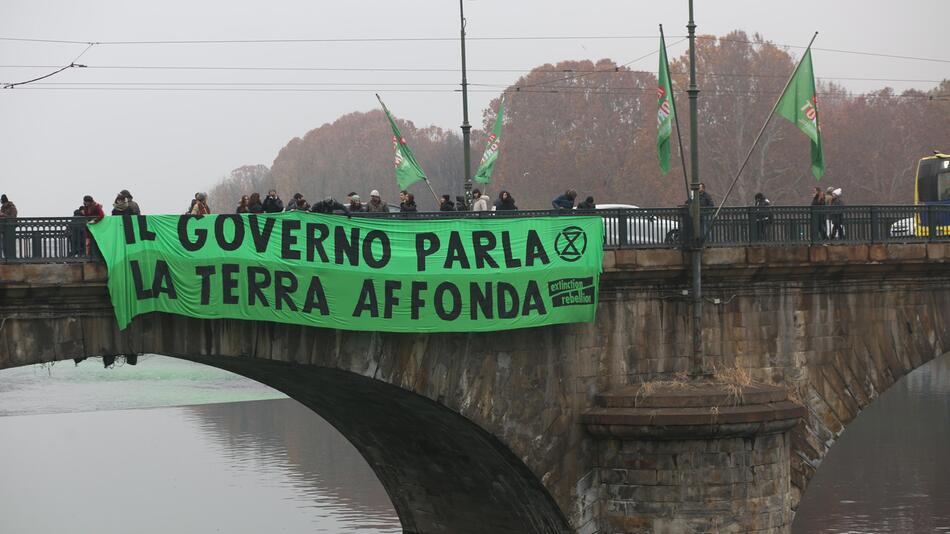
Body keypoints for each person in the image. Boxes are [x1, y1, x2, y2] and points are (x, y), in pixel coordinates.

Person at [0, 194, 17, 260]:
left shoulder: (12, 207)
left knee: (8, 245)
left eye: (3, 203)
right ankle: (3, 257)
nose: (3, 205)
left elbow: (13, 217)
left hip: (10, 229)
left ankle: (9, 257)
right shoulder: (2, 207)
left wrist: (4, 215)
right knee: (2, 244)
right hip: (3, 228)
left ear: (6, 202)